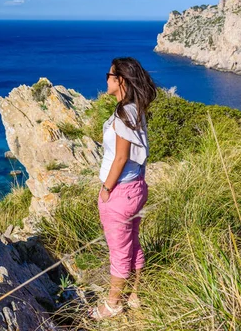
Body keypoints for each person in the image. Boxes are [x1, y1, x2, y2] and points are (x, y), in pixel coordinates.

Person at [89, 57, 157, 320]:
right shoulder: (134, 108)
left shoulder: (122, 113)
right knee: (133, 244)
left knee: (118, 250)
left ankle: (113, 305)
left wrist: (106, 189)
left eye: (109, 75)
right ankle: (135, 295)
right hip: (136, 187)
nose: (105, 79)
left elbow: (120, 157)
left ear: (121, 81)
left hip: (120, 191)